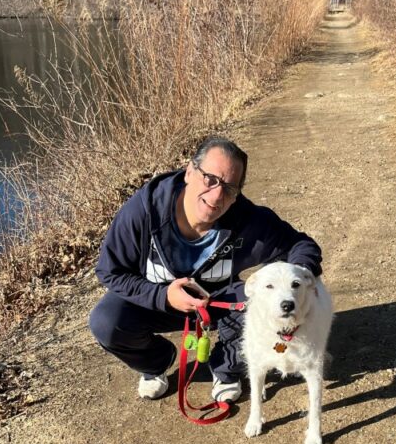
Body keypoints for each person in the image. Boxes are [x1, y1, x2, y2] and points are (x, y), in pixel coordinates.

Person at [89, 135, 322, 401]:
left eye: (230, 188)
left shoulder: (248, 221)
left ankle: (226, 368)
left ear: (237, 195)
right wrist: (162, 296)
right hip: (156, 303)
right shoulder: (143, 211)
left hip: (218, 304)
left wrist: (302, 273)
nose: (217, 195)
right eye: (210, 179)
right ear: (190, 172)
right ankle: (155, 363)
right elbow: (110, 271)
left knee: (259, 303)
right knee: (106, 322)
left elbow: (301, 245)